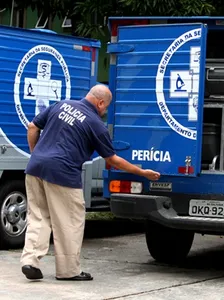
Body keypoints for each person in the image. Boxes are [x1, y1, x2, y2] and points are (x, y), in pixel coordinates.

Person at [20, 84, 160, 281]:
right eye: (105, 107)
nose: (104, 112)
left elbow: (33, 126)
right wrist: (142, 172)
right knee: (70, 222)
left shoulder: (61, 104)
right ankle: (68, 271)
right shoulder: (95, 124)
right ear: (100, 103)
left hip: (35, 169)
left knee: (38, 217)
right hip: (64, 173)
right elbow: (112, 160)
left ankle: (30, 261)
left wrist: (36, 154)